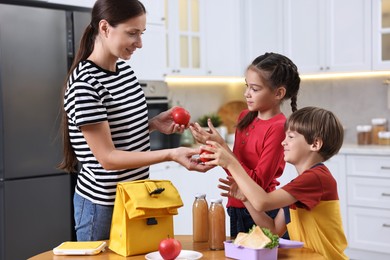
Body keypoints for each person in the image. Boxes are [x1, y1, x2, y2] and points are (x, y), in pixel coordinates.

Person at [58, 0, 211, 241]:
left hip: (136, 196)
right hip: (103, 206)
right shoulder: (85, 85)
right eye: (132, 34)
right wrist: (171, 154)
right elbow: (108, 158)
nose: (139, 43)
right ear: (105, 28)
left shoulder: (125, 72)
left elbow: (119, 134)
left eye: (141, 34)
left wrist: (152, 124)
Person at [201, 107, 348, 259]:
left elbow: (262, 202)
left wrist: (231, 163)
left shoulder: (316, 178)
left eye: (290, 137)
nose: (283, 142)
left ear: (315, 144)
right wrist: (246, 199)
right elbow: (273, 230)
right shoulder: (298, 186)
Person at [190, 52, 300, 238]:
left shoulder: (279, 128)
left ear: (278, 93)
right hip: (235, 206)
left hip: (260, 213)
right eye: (246, 86)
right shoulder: (244, 117)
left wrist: (223, 153)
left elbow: (256, 183)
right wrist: (217, 145)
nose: (246, 93)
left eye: (255, 89)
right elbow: (236, 169)